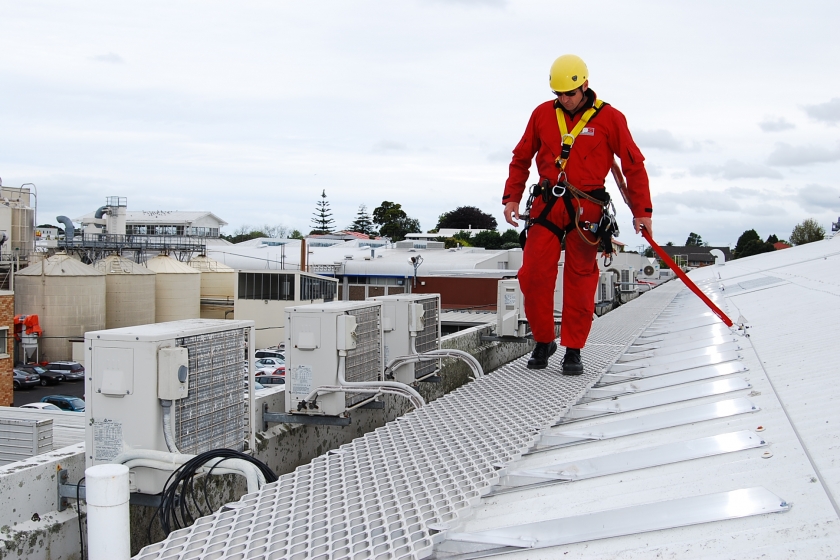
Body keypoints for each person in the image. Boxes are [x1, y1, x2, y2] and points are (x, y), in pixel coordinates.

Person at [502, 54, 653, 374]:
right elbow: (521, 157)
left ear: (585, 85)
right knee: (533, 275)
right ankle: (544, 340)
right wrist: (512, 197)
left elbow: (633, 165)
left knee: (580, 281)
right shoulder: (542, 114)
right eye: (558, 94)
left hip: (588, 210)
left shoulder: (610, 118)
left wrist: (643, 211)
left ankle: (573, 348)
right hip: (547, 205)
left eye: (569, 94)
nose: (564, 100)